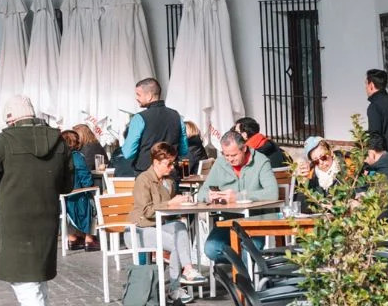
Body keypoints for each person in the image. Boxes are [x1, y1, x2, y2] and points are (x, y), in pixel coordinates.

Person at [0, 94, 72, 306]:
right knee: (37, 278)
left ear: (11, 120)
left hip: (15, 221)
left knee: (23, 281)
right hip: (47, 218)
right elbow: (67, 185)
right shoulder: (59, 140)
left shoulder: (4, 141)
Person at [197, 128, 280, 266]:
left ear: (244, 148)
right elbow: (201, 193)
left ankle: (245, 283)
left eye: (234, 155)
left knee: (249, 251)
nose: (230, 159)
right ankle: (241, 269)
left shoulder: (261, 161)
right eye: (226, 155)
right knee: (211, 249)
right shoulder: (220, 163)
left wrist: (238, 197)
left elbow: (272, 193)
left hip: (255, 222)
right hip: (229, 222)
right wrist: (209, 196)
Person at [133, 142, 200, 304]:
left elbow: (168, 209)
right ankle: (175, 287)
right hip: (140, 229)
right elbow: (145, 212)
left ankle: (188, 270)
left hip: (158, 226)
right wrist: (171, 204)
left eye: (173, 163)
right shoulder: (143, 179)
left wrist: (182, 202)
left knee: (180, 227)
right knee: (176, 242)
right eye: (168, 163)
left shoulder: (168, 181)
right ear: (156, 162)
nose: (172, 167)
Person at [114, 77, 187, 175]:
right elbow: (184, 150)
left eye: (138, 94)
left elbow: (128, 153)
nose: (136, 98)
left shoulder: (139, 118)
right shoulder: (176, 116)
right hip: (170, 173)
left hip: (146, 174)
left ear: (149, 96)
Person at [60, 130, 97, 250]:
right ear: (77, 143)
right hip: (77, 195)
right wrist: (90, 187)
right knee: (94, 205)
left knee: (67, 212)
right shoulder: (77, 157)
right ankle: (89, 239)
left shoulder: (58, 158)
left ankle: (72, 238)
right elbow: (84, 175)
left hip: (63, 196)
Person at [294, 137, 343, 211]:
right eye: (316, 161)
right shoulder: (312, 176)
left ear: (331, 152)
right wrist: (303, 182)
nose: (321, 163)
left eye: (323, 157)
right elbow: (302, 208)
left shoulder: (345, 168)